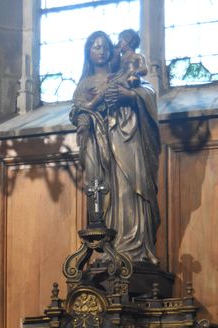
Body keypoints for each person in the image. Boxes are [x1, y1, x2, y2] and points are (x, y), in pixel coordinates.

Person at [70, 30, 161, 265]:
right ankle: (110, 248)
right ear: (88, 52)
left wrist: (129, 96)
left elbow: (146, 91)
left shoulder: (122, 71)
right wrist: (83, 122)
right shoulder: (84, 84)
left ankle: (135, 247)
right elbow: (79, 110)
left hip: (127, 138)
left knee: (131, 187)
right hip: (101, 147)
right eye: (96, 47)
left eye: (105, 46)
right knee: (106, 191)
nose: (102, 51)